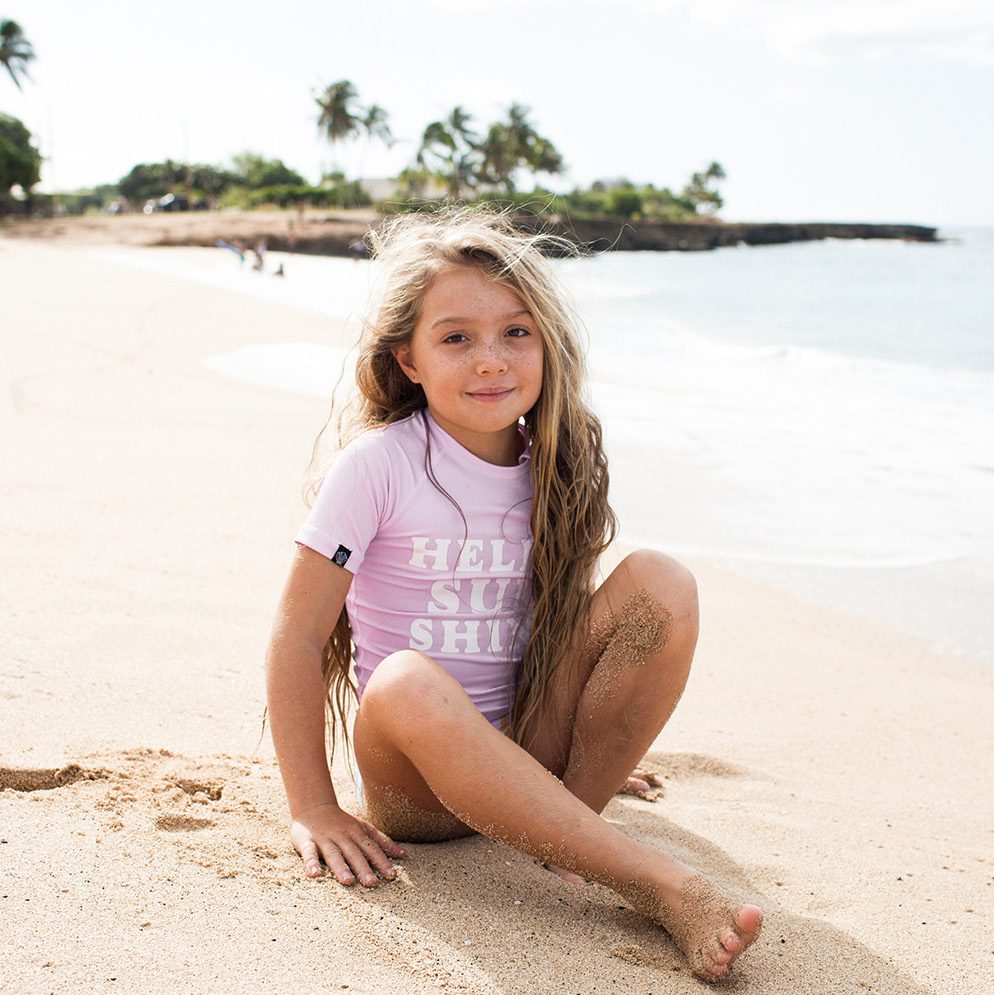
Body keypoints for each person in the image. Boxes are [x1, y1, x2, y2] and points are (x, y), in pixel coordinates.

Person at [265, 210, 762, 982]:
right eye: (456, 337)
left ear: (546, 344)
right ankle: (654, 880)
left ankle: (566, 826)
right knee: (405, 678)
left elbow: (561, 625)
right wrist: (314, 806)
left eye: (516, 333)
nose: (490, 361)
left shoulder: (556, 463)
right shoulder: (377, 468)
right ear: (410, 358)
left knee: (663, 582)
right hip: (419, 788)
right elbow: (296, 636)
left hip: (527, 746)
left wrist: (591, 741)